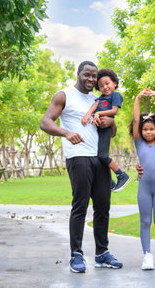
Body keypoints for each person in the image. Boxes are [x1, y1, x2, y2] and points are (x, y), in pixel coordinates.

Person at [40, 61, 123, 273]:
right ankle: (76, 255)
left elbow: (111, 130)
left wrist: (110, 123)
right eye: (87, 75)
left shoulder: (100, 99)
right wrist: (66, 133)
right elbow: (46, 122)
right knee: (80, 206)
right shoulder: (64, 95)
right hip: (78, 157)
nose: (91, 79)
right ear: (78, 74)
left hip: (99, 158)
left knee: (103, 206)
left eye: (94, 76)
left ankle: (102, 253)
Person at [130, 88, 155, 270]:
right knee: (145, 221)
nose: (148, 132)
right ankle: (147, 255)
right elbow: (137, 119)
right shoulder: (139, 142)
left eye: (151, 129)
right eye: (145, 129)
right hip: (144, 188)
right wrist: (138, 98)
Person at [81, 68, 131, 192]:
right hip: (98, 129)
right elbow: (94, 105)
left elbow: (114, 111)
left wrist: (99, 113)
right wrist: (88, 115)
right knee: (98, 157)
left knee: (102, 155)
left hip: (106, 129)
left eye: (107, 84)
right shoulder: (101, 98)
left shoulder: (116, 95)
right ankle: (110, 183)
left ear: (114, 83)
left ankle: (121, 175)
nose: (105, 87)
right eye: (101, 86)